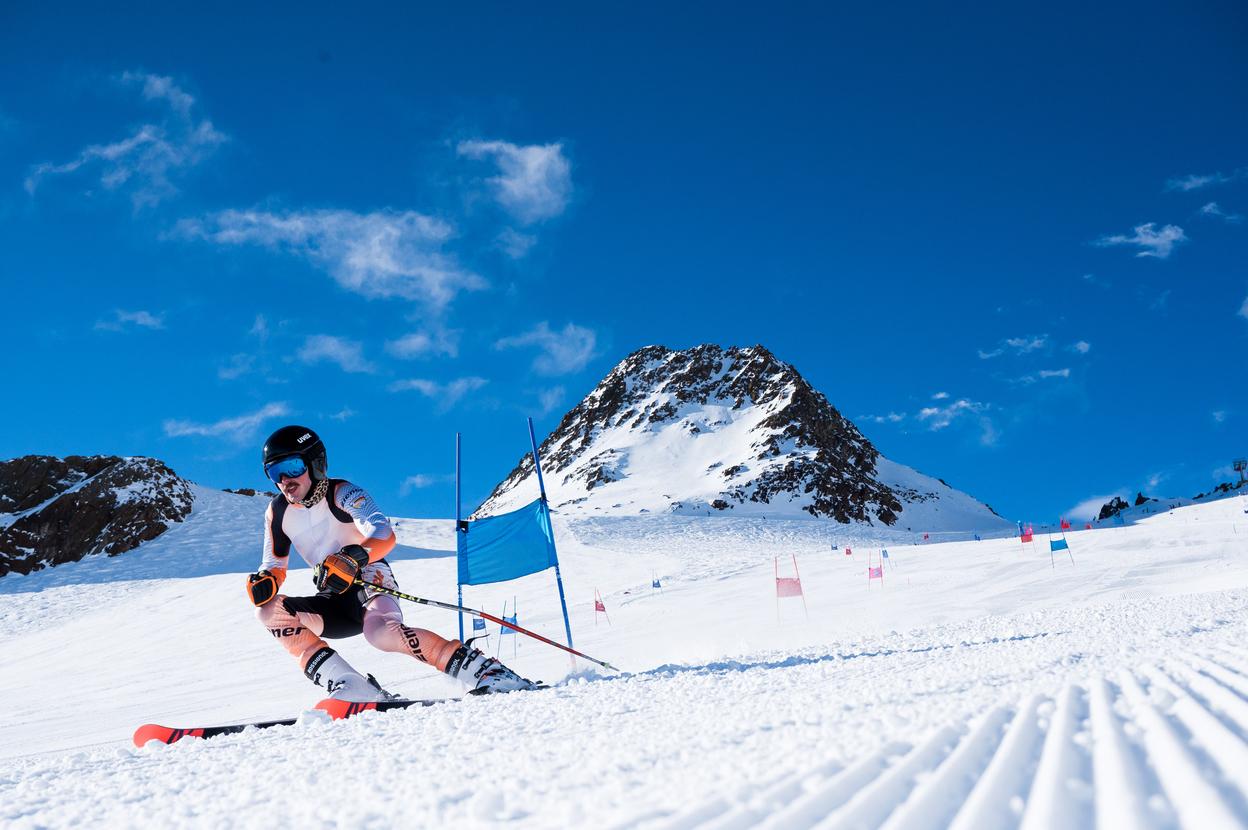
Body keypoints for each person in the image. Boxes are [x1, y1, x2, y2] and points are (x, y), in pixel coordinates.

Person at [246, 425, 536, 701]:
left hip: (369, 579)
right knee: (268, 612)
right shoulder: (277, 512)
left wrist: (352, 558)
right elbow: (273, 564)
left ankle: (489, 672)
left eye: (292, 467)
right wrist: (265, 581)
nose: (285, 480)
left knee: (381, 634)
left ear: (314, 463)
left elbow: (383, 533)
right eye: (274, 472)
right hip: (332, 594)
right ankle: (351, 685)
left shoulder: (343, 493)